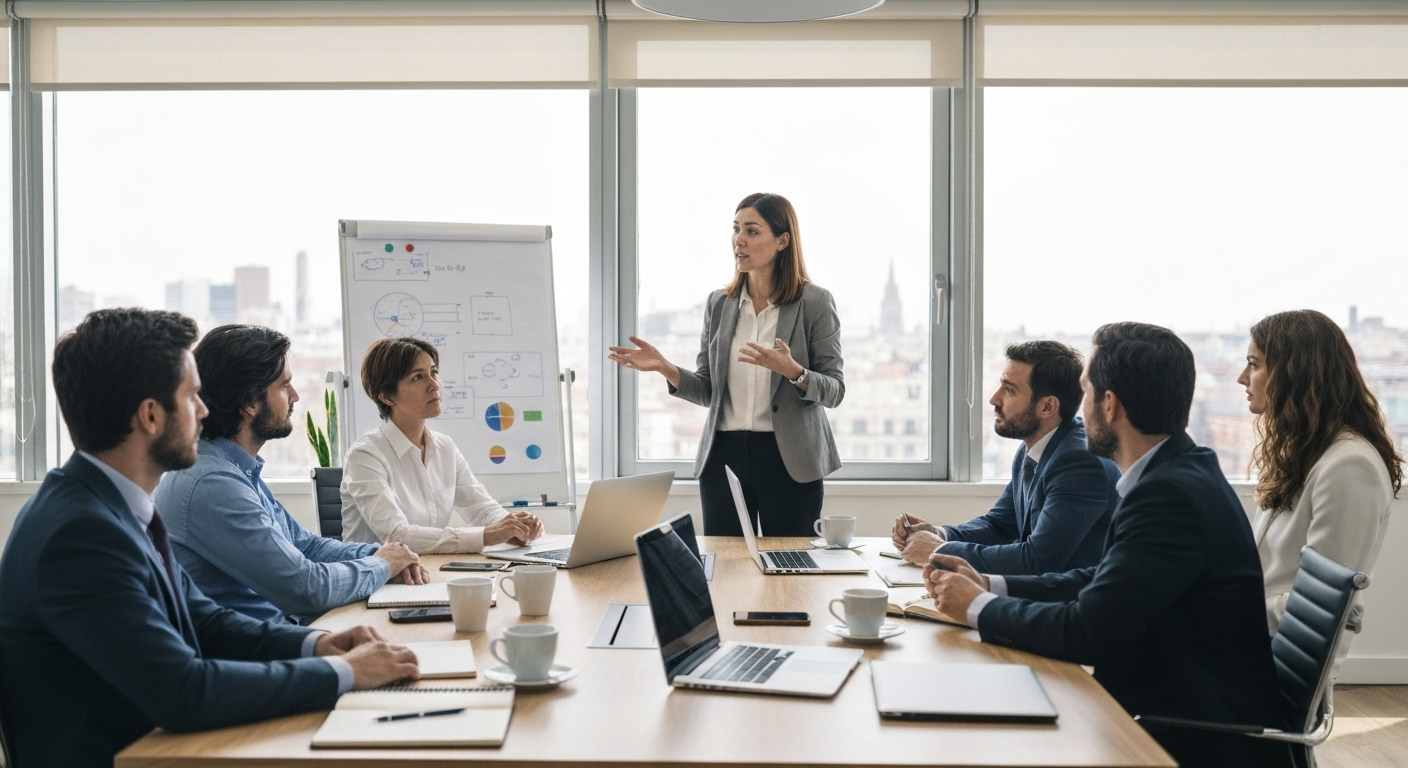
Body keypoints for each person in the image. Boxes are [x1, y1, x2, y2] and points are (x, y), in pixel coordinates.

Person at [0, 309, 418, 768]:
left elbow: (205, 620)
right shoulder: (79, 535)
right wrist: (342, 672)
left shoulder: (111, 507)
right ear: (151, 415)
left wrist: (316, 646)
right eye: (192, 396)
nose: (204, 411)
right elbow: (183, 691)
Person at [925, 322, 1288, 768]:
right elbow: (1100, 579)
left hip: (1187, 733)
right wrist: (990, 585)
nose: (1080, 410)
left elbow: (1089, 632)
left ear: (1110, 405)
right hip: (1165, 702)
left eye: (1086, 392)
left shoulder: (1168, 495)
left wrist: (976, 607)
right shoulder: (1176, 471)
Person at [154, 325, 429, 625]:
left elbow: (306, 546)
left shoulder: (237, 469)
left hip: (284, 636)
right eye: (285, 386)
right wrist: (382, 564)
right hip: (258, 654)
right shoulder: (211, 483)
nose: (296, 396)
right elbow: (305, 588)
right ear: (249, 403)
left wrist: (385, 552)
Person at [608, 192, 844, 536]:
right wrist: (665, 367)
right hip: (724, 456)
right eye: (735, 229)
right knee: (727, 570)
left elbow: (835, 390)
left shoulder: (815, 302)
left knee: (793, 569)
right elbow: (708, 390)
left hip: (790, 459)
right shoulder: (720, 303)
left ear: (782, 240)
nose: (739, 240)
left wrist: (794, 372)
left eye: (751, 231)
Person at [1238, 309, 1402, 675]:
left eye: (1254, 364)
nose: (1242, 378)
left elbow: (1320, 607)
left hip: (1276, 667)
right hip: (1252, 648)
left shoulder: (1349, 466)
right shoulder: (1303, 453)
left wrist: (1223, 613)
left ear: (1293, 374)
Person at [890, 341, 1119, 574]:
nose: (994, 399)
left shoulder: (1079, 463)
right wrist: (939, 534)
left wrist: (941, 550)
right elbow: (999, 525)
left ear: (1047, 407)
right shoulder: (1034, 448)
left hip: (1072, 603)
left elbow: (1037, 560)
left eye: (1009, 390)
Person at [341, 336, 543, 553]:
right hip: (375, 579)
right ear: (387, 397)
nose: (434, 385)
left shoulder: (444, 447)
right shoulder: (365, 456)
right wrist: (488, 535)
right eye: (418, 377)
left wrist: (514, 524)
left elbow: (480, 508)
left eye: (434, 373)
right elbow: (397, 535)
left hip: (428, 571)